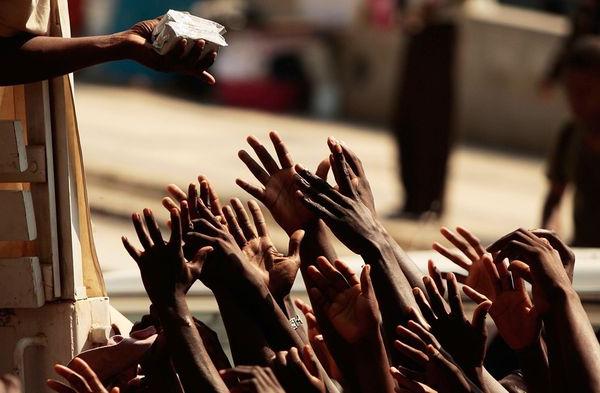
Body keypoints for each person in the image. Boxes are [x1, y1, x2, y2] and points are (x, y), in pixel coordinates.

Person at [390, 0, 465, 218]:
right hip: (417, 30)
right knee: (407, 119)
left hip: (440, 32)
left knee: (433, 123)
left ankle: (430, 201)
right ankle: (412, 199)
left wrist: (432, 8)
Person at [542, 36, 600, 246]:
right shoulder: (571, 134)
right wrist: (548, 236)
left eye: (585, 92)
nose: (575, 101)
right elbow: (555, 196)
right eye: (570, 92)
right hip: (585, 251)